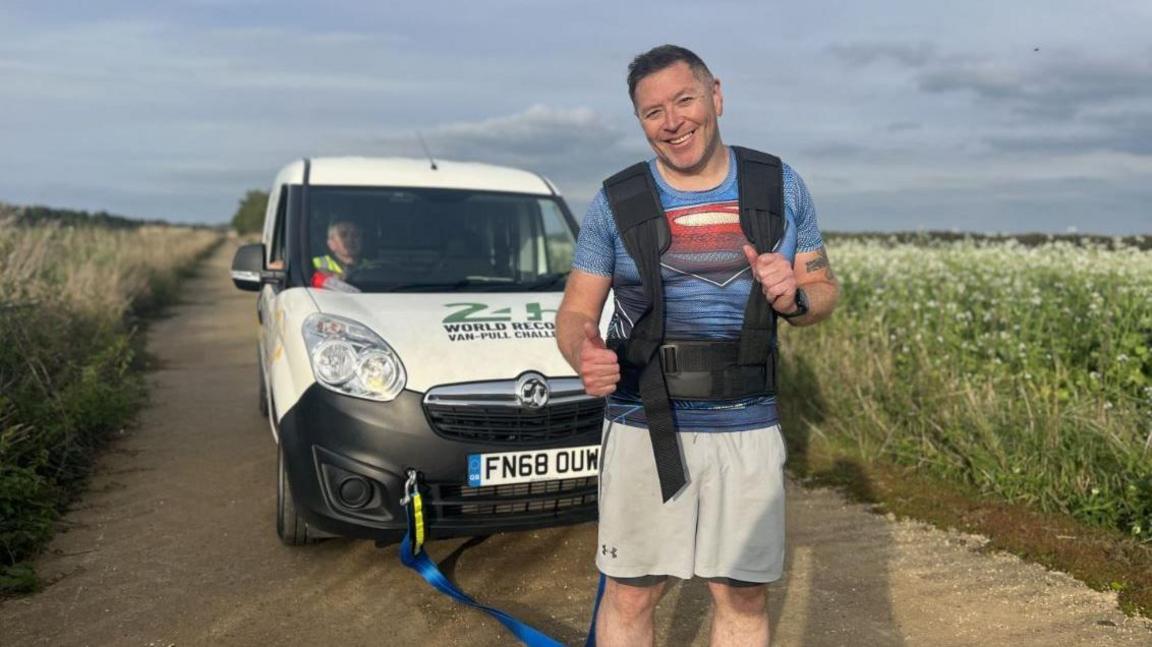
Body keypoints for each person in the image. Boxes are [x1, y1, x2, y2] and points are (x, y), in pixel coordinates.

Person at [556, 45, 839, 646]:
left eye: (684, 99)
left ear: (716, 96)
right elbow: (577, 310)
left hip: (747, 423)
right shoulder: (615, 200)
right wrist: (581, 352)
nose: (672, 121)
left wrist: (796, 297)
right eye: (652, 112)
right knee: (631, 591)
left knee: (741, 593)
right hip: (641, 422)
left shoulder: (779, 185)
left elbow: (822, 289)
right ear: (640, 122)